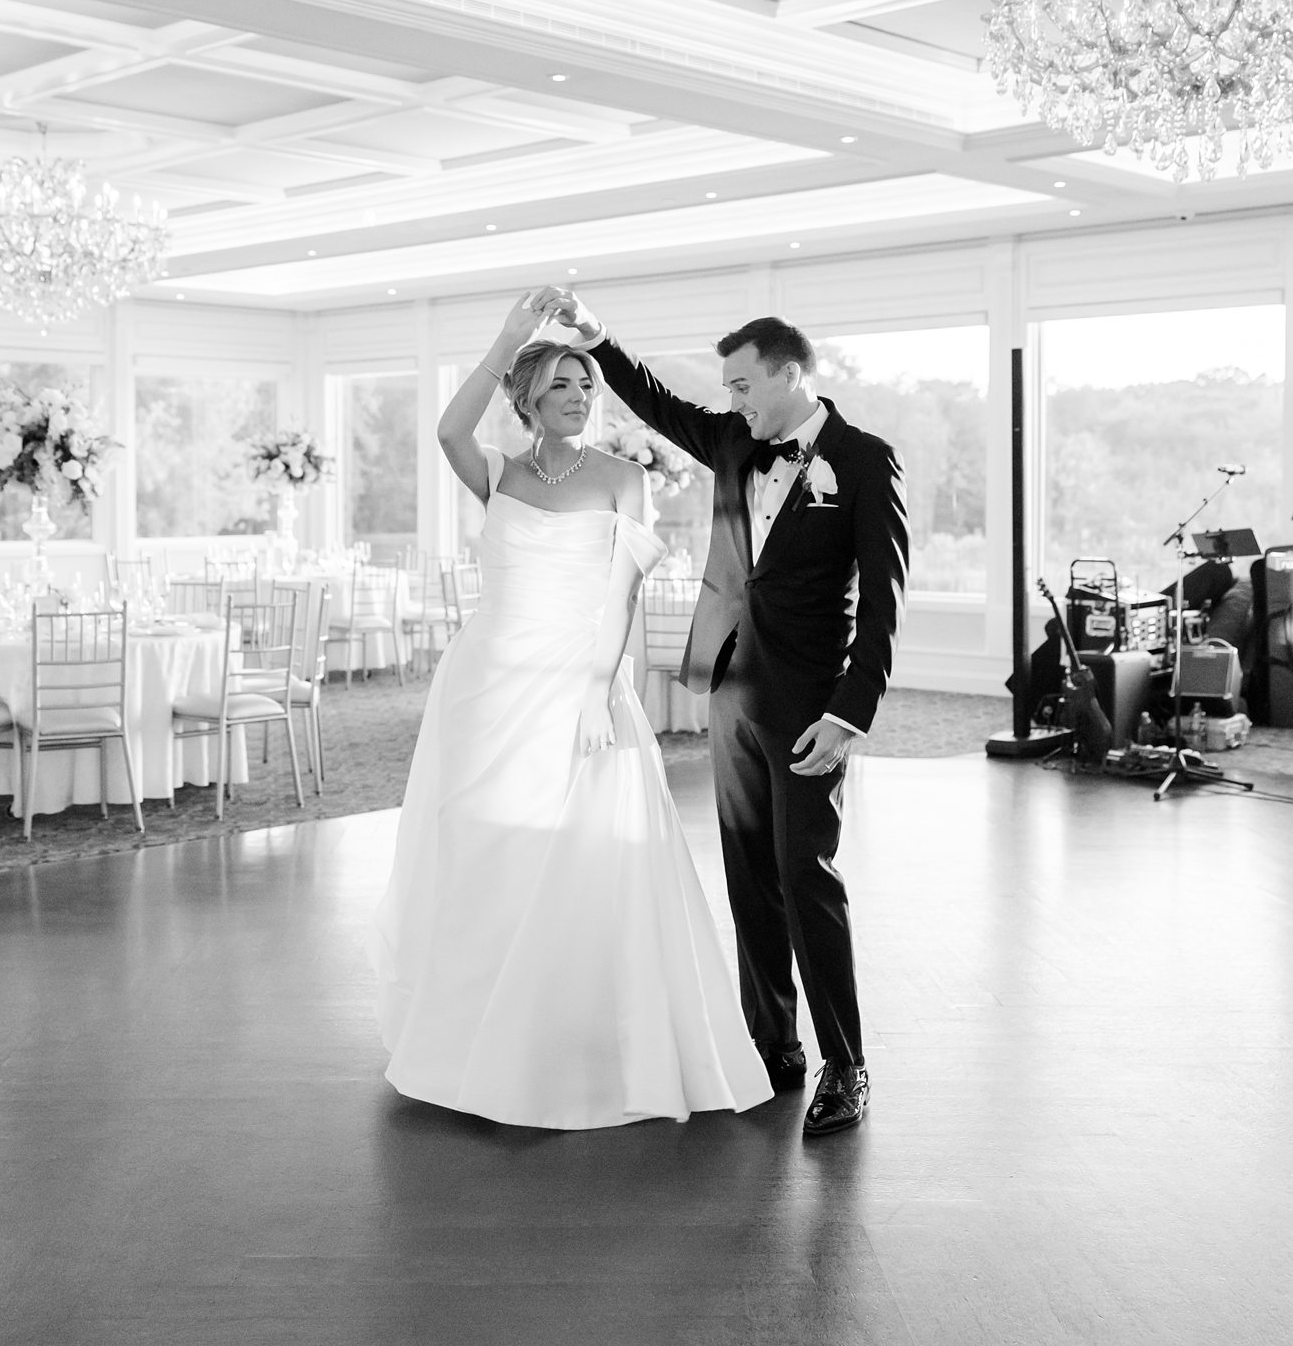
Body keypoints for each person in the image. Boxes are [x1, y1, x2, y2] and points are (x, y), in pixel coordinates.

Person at [367, 292, 772, 1131]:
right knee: (485, 852)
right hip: (485, 685)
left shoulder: (627, 480)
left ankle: (577, 1042)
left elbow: (619, 599)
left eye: (586, 385)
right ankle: (478, 1034)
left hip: (577, 685)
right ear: (527, 402)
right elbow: (448, 431)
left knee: (583, 855)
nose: (580, 398)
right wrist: (511, 338)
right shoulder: (501, 474)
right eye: (560, 387)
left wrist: (596, 691)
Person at [536, 287, 908, 1138]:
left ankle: (847, 1066)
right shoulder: (737, 442)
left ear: (789, 375)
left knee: (805, 872)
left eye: (742, 384)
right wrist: (597, 338)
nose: (731, 400)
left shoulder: (861, 460)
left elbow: (884, 603)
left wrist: (850, 715)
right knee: (749, 875)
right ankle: (773, 1044)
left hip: (811, 704)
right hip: (734, 688)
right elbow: (659, 405)